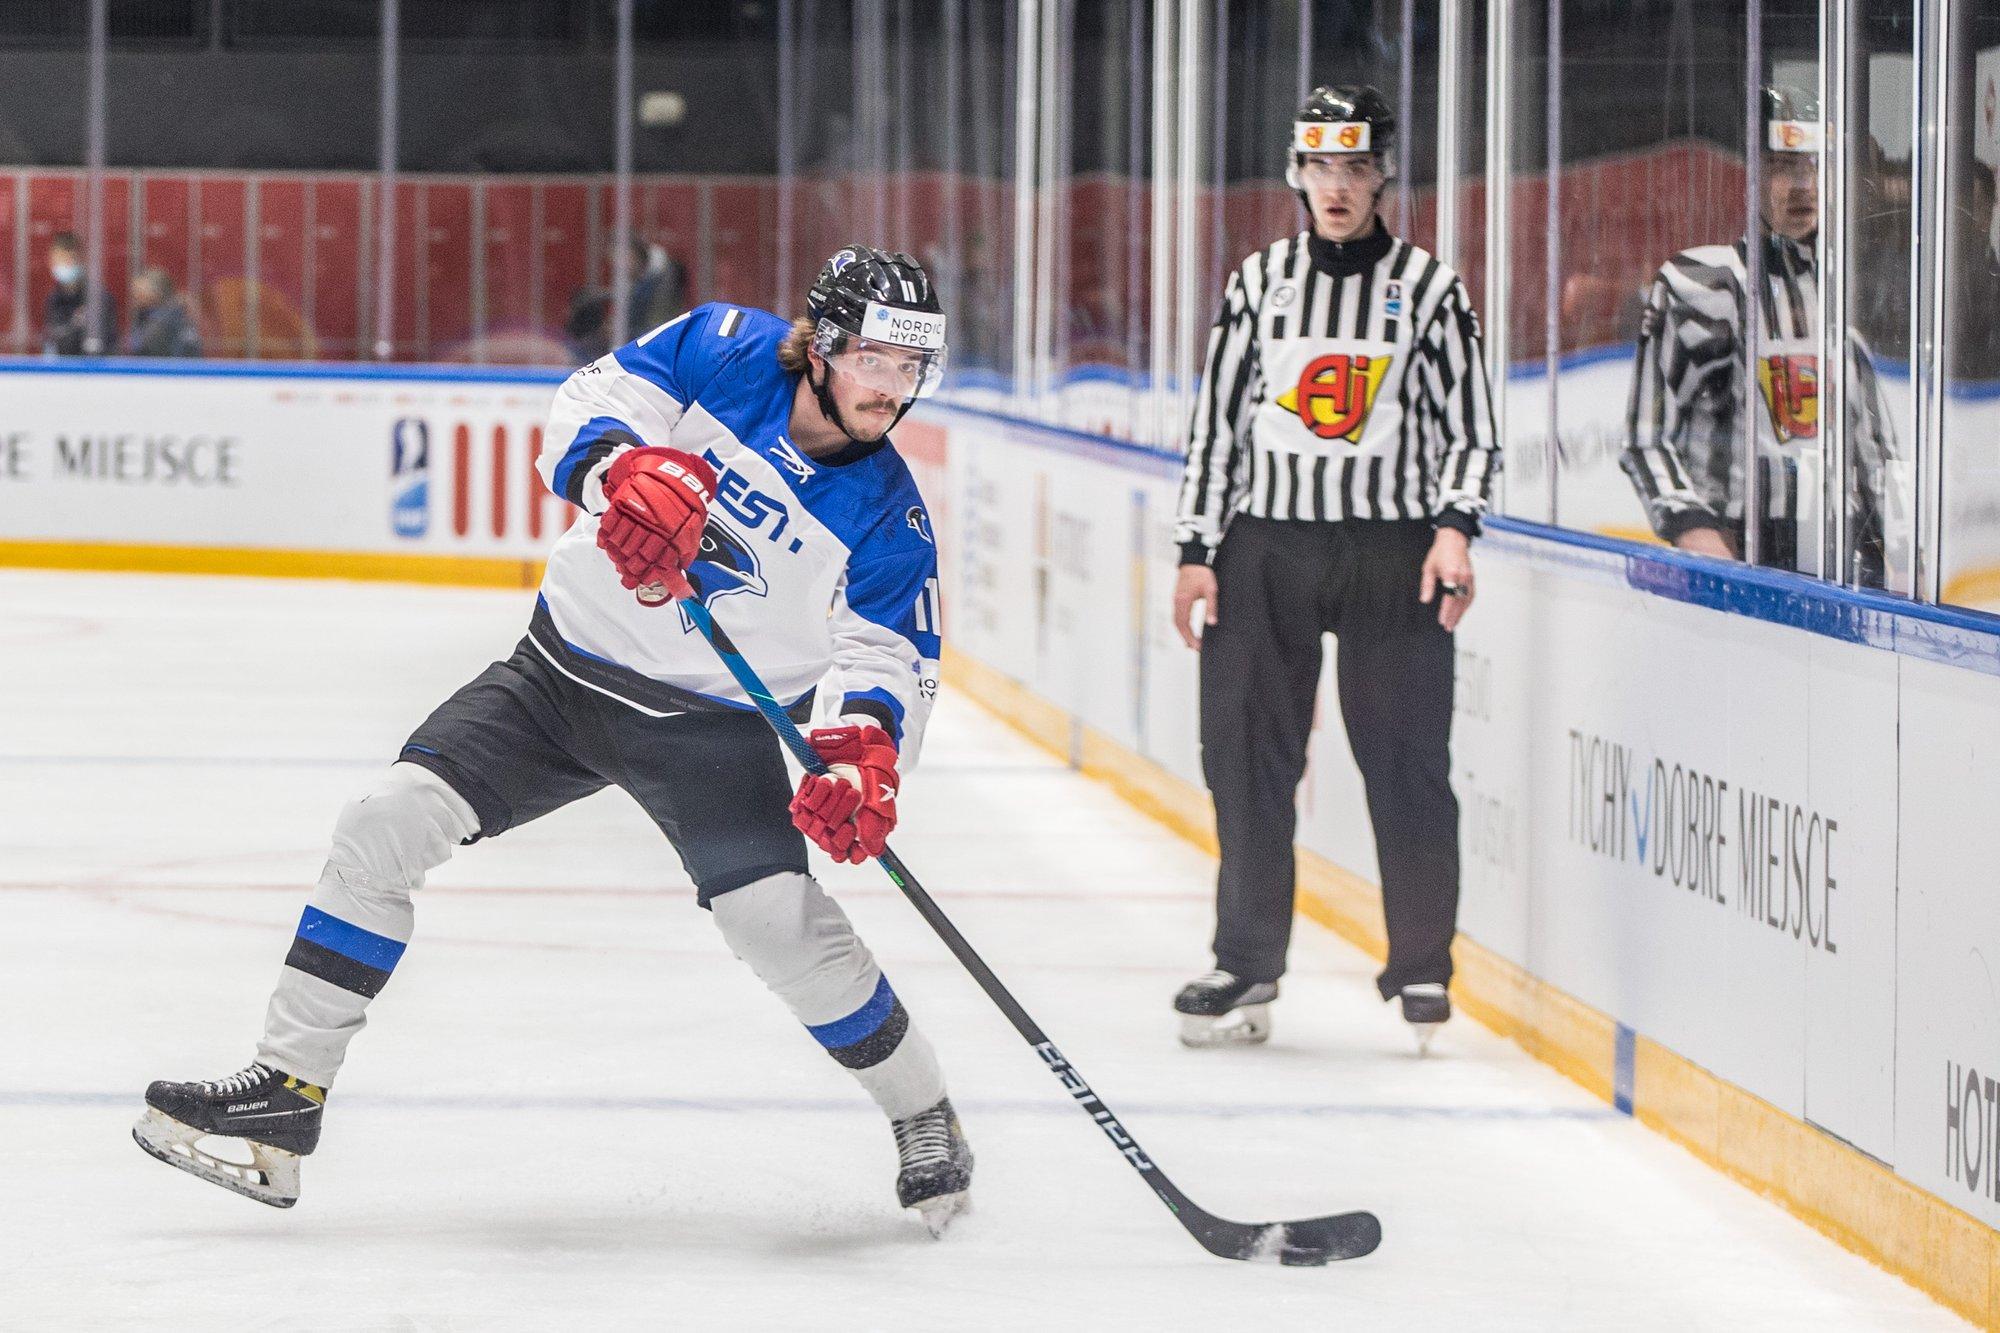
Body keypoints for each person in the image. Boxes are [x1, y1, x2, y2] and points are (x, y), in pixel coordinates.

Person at [133, 245, 973, 1235]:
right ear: (822, 343)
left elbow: (889, 659)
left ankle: (925, 1117)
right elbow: (586, 402)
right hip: (558, 676)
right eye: (875, 360)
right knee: (382, 825)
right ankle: (286, 1094)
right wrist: (624, 472)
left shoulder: (890, 520)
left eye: (911, 369)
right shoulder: (724, 349)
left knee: (776, 925)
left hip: (707, 730)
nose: (891, 389)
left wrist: (861, 763)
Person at [1169, 86, 1499, 1052]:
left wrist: (1455, 528)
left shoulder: (1430, 289)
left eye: (1355, 167)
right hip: (1265, 543)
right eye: (1320, 166)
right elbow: (1216, 425)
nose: (1338, 186)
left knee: (1405, 758)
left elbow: (1473, 427)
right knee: (1245, 755)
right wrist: (1196, 548)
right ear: (1295, 172)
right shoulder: (1259, 281)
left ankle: (1424, 965)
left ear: (1383, 172)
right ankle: (1247, 959)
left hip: (1392, 550)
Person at [1621, 87, 1898, 586]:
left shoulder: (1850, 294)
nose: (1802, 186)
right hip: (1736, 547)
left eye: (1815, 166)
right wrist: (1695, 530)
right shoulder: (1700, 285)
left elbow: (1873, 447)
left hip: (1839, 558)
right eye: (1782, 166)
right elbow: (1646, 438)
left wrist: (1899, 546)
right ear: (1753, 173)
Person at [41, 230, 112, 356]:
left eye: (70, 259)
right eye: (60, 260)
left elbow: (106, 343)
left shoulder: (98, 298)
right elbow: (53, 339)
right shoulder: (53, 299)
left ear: (81, 260)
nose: (66, 264)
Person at [123, 267, 203, 358]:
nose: (134, 298)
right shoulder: (148, 315)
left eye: (139, 293)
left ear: (156, 294)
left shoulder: (167, 319)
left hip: (169, 369)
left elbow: (140, 348)